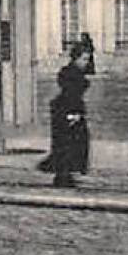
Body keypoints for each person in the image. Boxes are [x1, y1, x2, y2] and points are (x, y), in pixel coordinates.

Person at [39, 42, 92, 188]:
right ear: (75, 58)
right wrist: (72, 114)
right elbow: (70, 95)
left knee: (72, 144)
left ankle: (65, 173)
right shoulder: (70, 73)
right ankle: (62, 175)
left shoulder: (74, 72)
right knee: (68, 144)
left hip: (70, 110)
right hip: (67, 110)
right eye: (83, 59)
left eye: (87, 59)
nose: (85, 63)